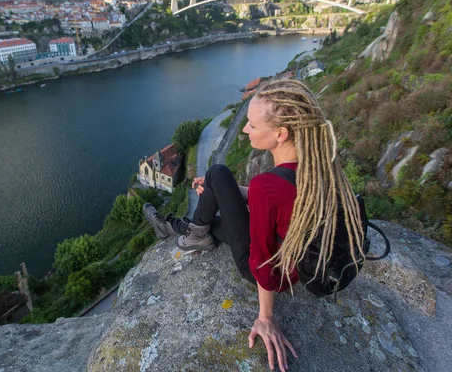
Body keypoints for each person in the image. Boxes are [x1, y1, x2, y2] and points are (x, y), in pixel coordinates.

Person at [143, 78, 366, 372]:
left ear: (280, 133)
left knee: (217, 175)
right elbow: (284, 206)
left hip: (279, 270)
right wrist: (228, 192)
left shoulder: (267, 186)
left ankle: (182, 229)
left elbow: (262, 265)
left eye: (252, 124)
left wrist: (266, 317)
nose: (246, 129)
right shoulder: (319, 167)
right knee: (218, 181)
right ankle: (190, 229)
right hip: (305, 258)